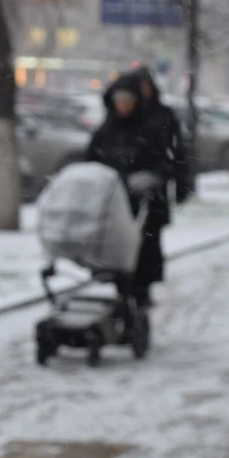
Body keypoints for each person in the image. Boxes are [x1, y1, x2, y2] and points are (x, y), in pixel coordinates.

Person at [86, 74, 171, 307]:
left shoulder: (150, 128)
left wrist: (152, 178)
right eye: (119, 100)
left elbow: (164, 160)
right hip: (112, 201)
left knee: (143, 249)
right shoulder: (106, 130)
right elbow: (91, 159)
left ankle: (141, 292)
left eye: (127, 100)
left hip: (144, 200)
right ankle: (121, 288)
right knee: (115, 246)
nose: (123, 105)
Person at [132, 66, 196, 206]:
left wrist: (181, 184)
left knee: (153, 221)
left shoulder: (164, 115)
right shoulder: (124, 117)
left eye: (146, 85)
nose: (143, 90)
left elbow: (177, 150)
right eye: (139, 86)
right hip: (129, 188)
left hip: (157, 185)